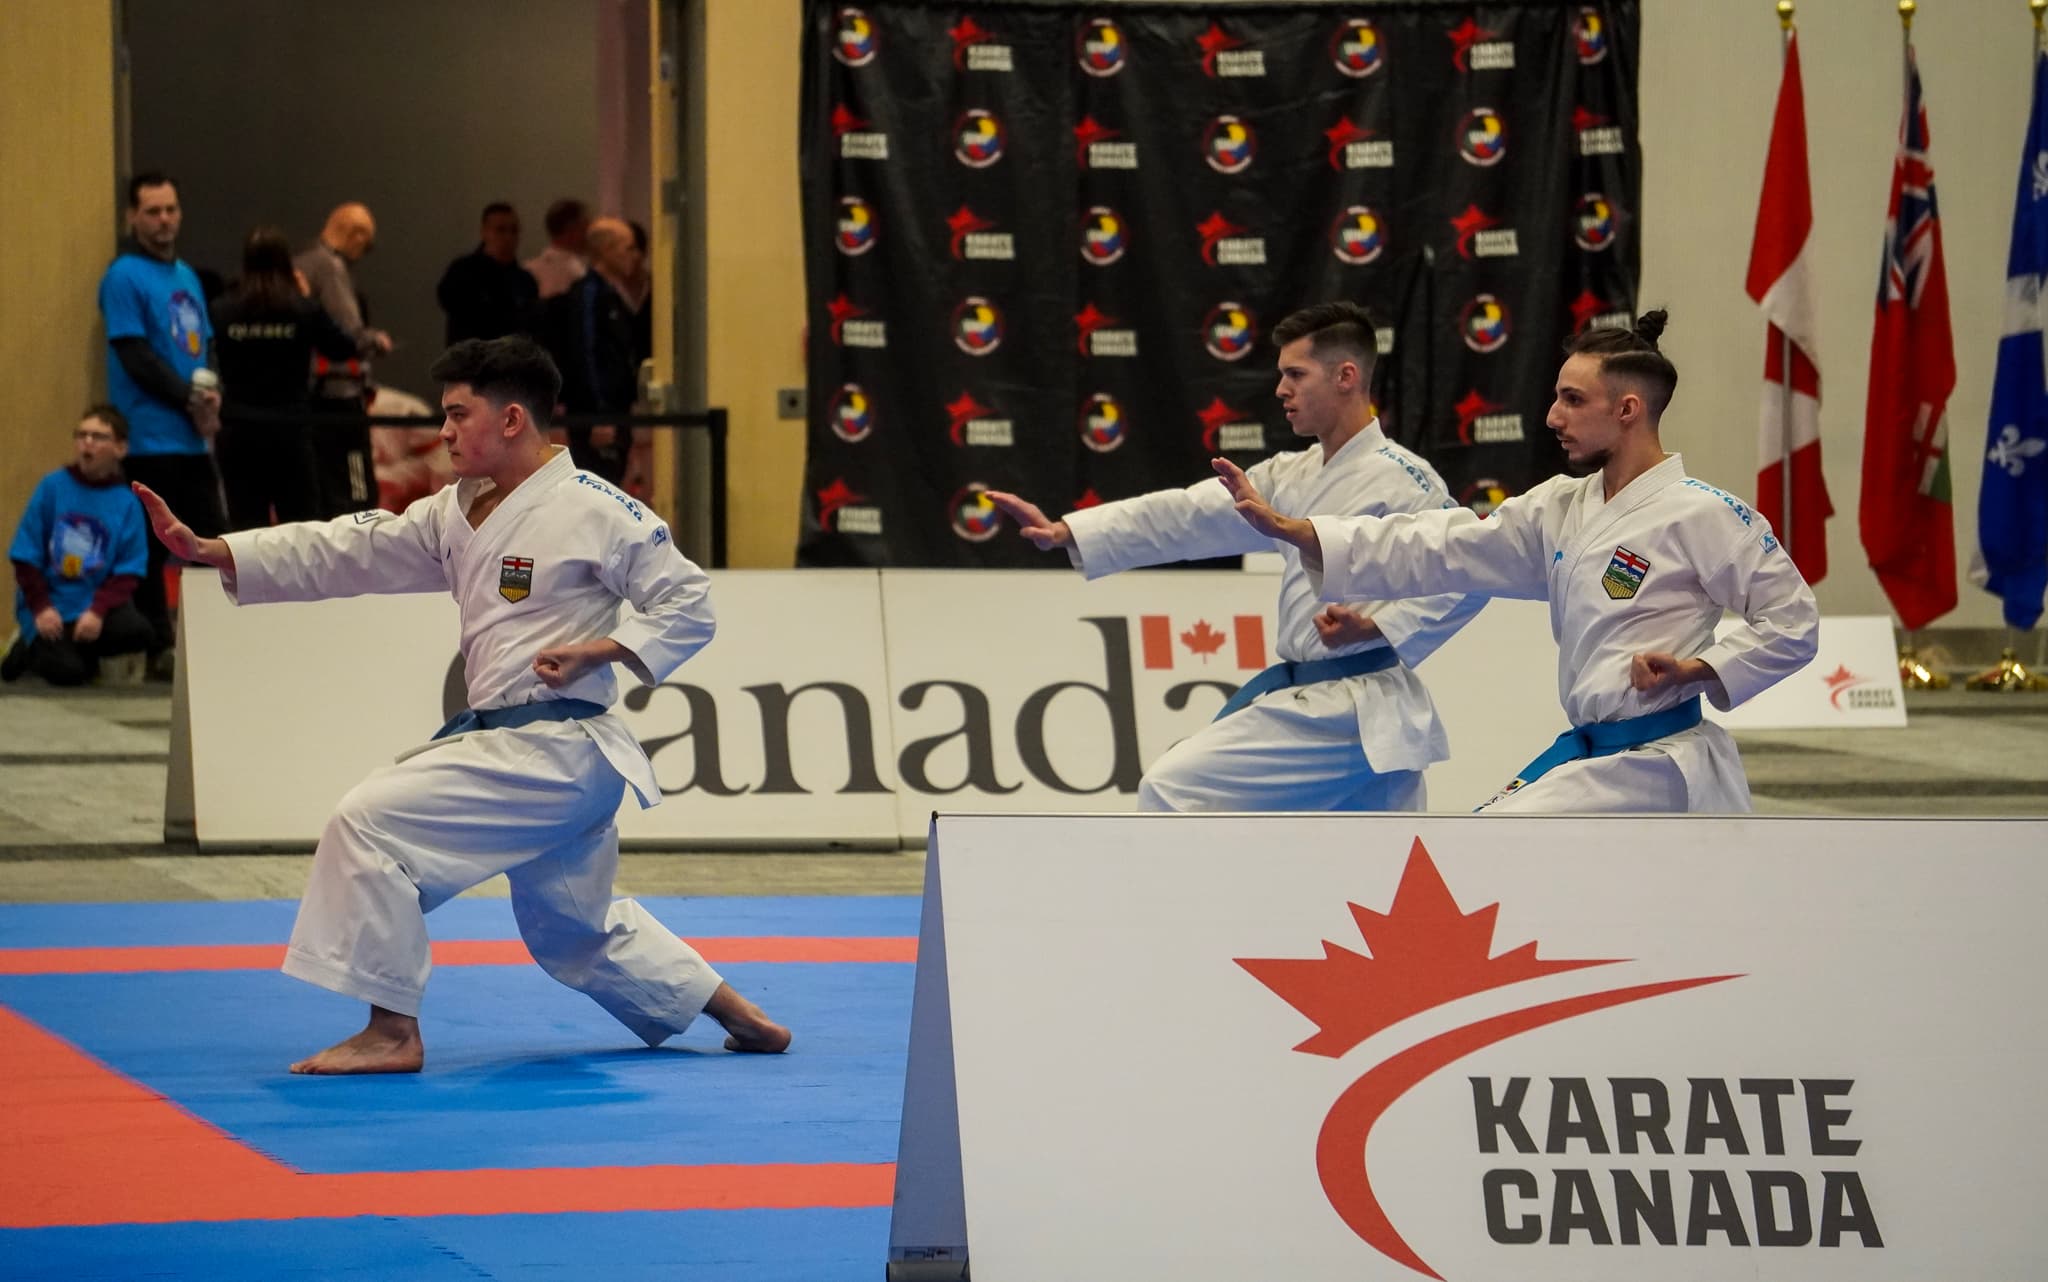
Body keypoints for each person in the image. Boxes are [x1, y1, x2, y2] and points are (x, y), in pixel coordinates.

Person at [131, 336, 789, 1073]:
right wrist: (221, 550)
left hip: (555, 748)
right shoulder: (459, 510)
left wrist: (601, 649)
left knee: (367, 823)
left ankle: (391, 1032)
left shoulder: (595, 507)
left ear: (511, 419)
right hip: (532, 753)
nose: (441, 432)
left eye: (456, 414)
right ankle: (746, 1017)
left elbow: (689, 600)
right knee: (576, 930)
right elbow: (352, 546)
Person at [1216, 309, 1820, 813]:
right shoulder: (1559, 507)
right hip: (1602, 760)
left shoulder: (1703, 514)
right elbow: (1444, 544)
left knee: (1495, 846)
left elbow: (1793, 621)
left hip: (1661, 760)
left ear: (1628, 409)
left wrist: (1700, 670)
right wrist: (1306, 535)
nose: (1553, 417)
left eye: (1572, 400)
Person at [984, 302, 1484, 812]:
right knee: (1363, 875)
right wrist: (1070, 530)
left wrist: (1381, 628)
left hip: (1358, 706)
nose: (1280, 390)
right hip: (1335, 712)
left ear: (1346, 376)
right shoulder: (1291, 475)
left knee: (1173, 789)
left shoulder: (1406, 479)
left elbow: (1469, 572)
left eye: (1296, 374)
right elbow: (1185, 514)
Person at [97, 171, 226, 671]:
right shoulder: (123, 276)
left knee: (211, 539)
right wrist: (189, 400)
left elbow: (206, 346)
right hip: (150, 434)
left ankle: (217, 635)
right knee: (153, 551)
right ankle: (159, 646)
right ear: (132, 217)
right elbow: (135, 355)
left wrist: (211, 393)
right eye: (152, 211)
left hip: (191, 439)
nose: (164, 220)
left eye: (171, 209)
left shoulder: (187, 276)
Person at [210, 226, 364, 529]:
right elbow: (343, 347)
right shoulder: (301, 308)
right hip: (290, 430)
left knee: (244, 527)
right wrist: (307, 299)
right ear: (286, 262)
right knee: (300, 528)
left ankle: (248, 580)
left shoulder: (221, 309)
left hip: (238, 430)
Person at [4, 407, 153, 687]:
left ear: (120, 448)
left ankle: (69, 651)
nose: (87, 443)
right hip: (50, 605)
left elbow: (129, 571)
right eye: (82, 435)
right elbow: (25, 557)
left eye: (98, 437)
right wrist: (41, 608)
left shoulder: (127, 502)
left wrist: (97, 610)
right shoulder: (52, 487)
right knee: (70, 675)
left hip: (89, 605)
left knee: (139, 632)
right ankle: (27, 649)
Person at [295, 202, 394, 517]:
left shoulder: (300, 263)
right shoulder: (330, 268)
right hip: (340, 394)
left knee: (323, 488)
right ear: (356, 235)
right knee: (357, 490)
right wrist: (375, 340)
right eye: (367, 243)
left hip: (309, 397)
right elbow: (349, 332)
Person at [550, 217, 648, 487]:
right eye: (627, 248)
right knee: (598, 484)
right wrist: (599, 416)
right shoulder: (589, 294)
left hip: (617, 410)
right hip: (598, 414)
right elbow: (586, 355)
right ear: (606, 251)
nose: (635, 255)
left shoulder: (612, 294)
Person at [436, 201, 540, 345]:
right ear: (484, 232)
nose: (508, 237)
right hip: (473, 361)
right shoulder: (463, 272)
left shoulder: (525, 281)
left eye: (514, 230)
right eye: (500, 230)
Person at [524, 197, 590, 300]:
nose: (588, 235)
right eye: (585, 228)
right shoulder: (578, 273)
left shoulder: (529, 269)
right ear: (571, 229)